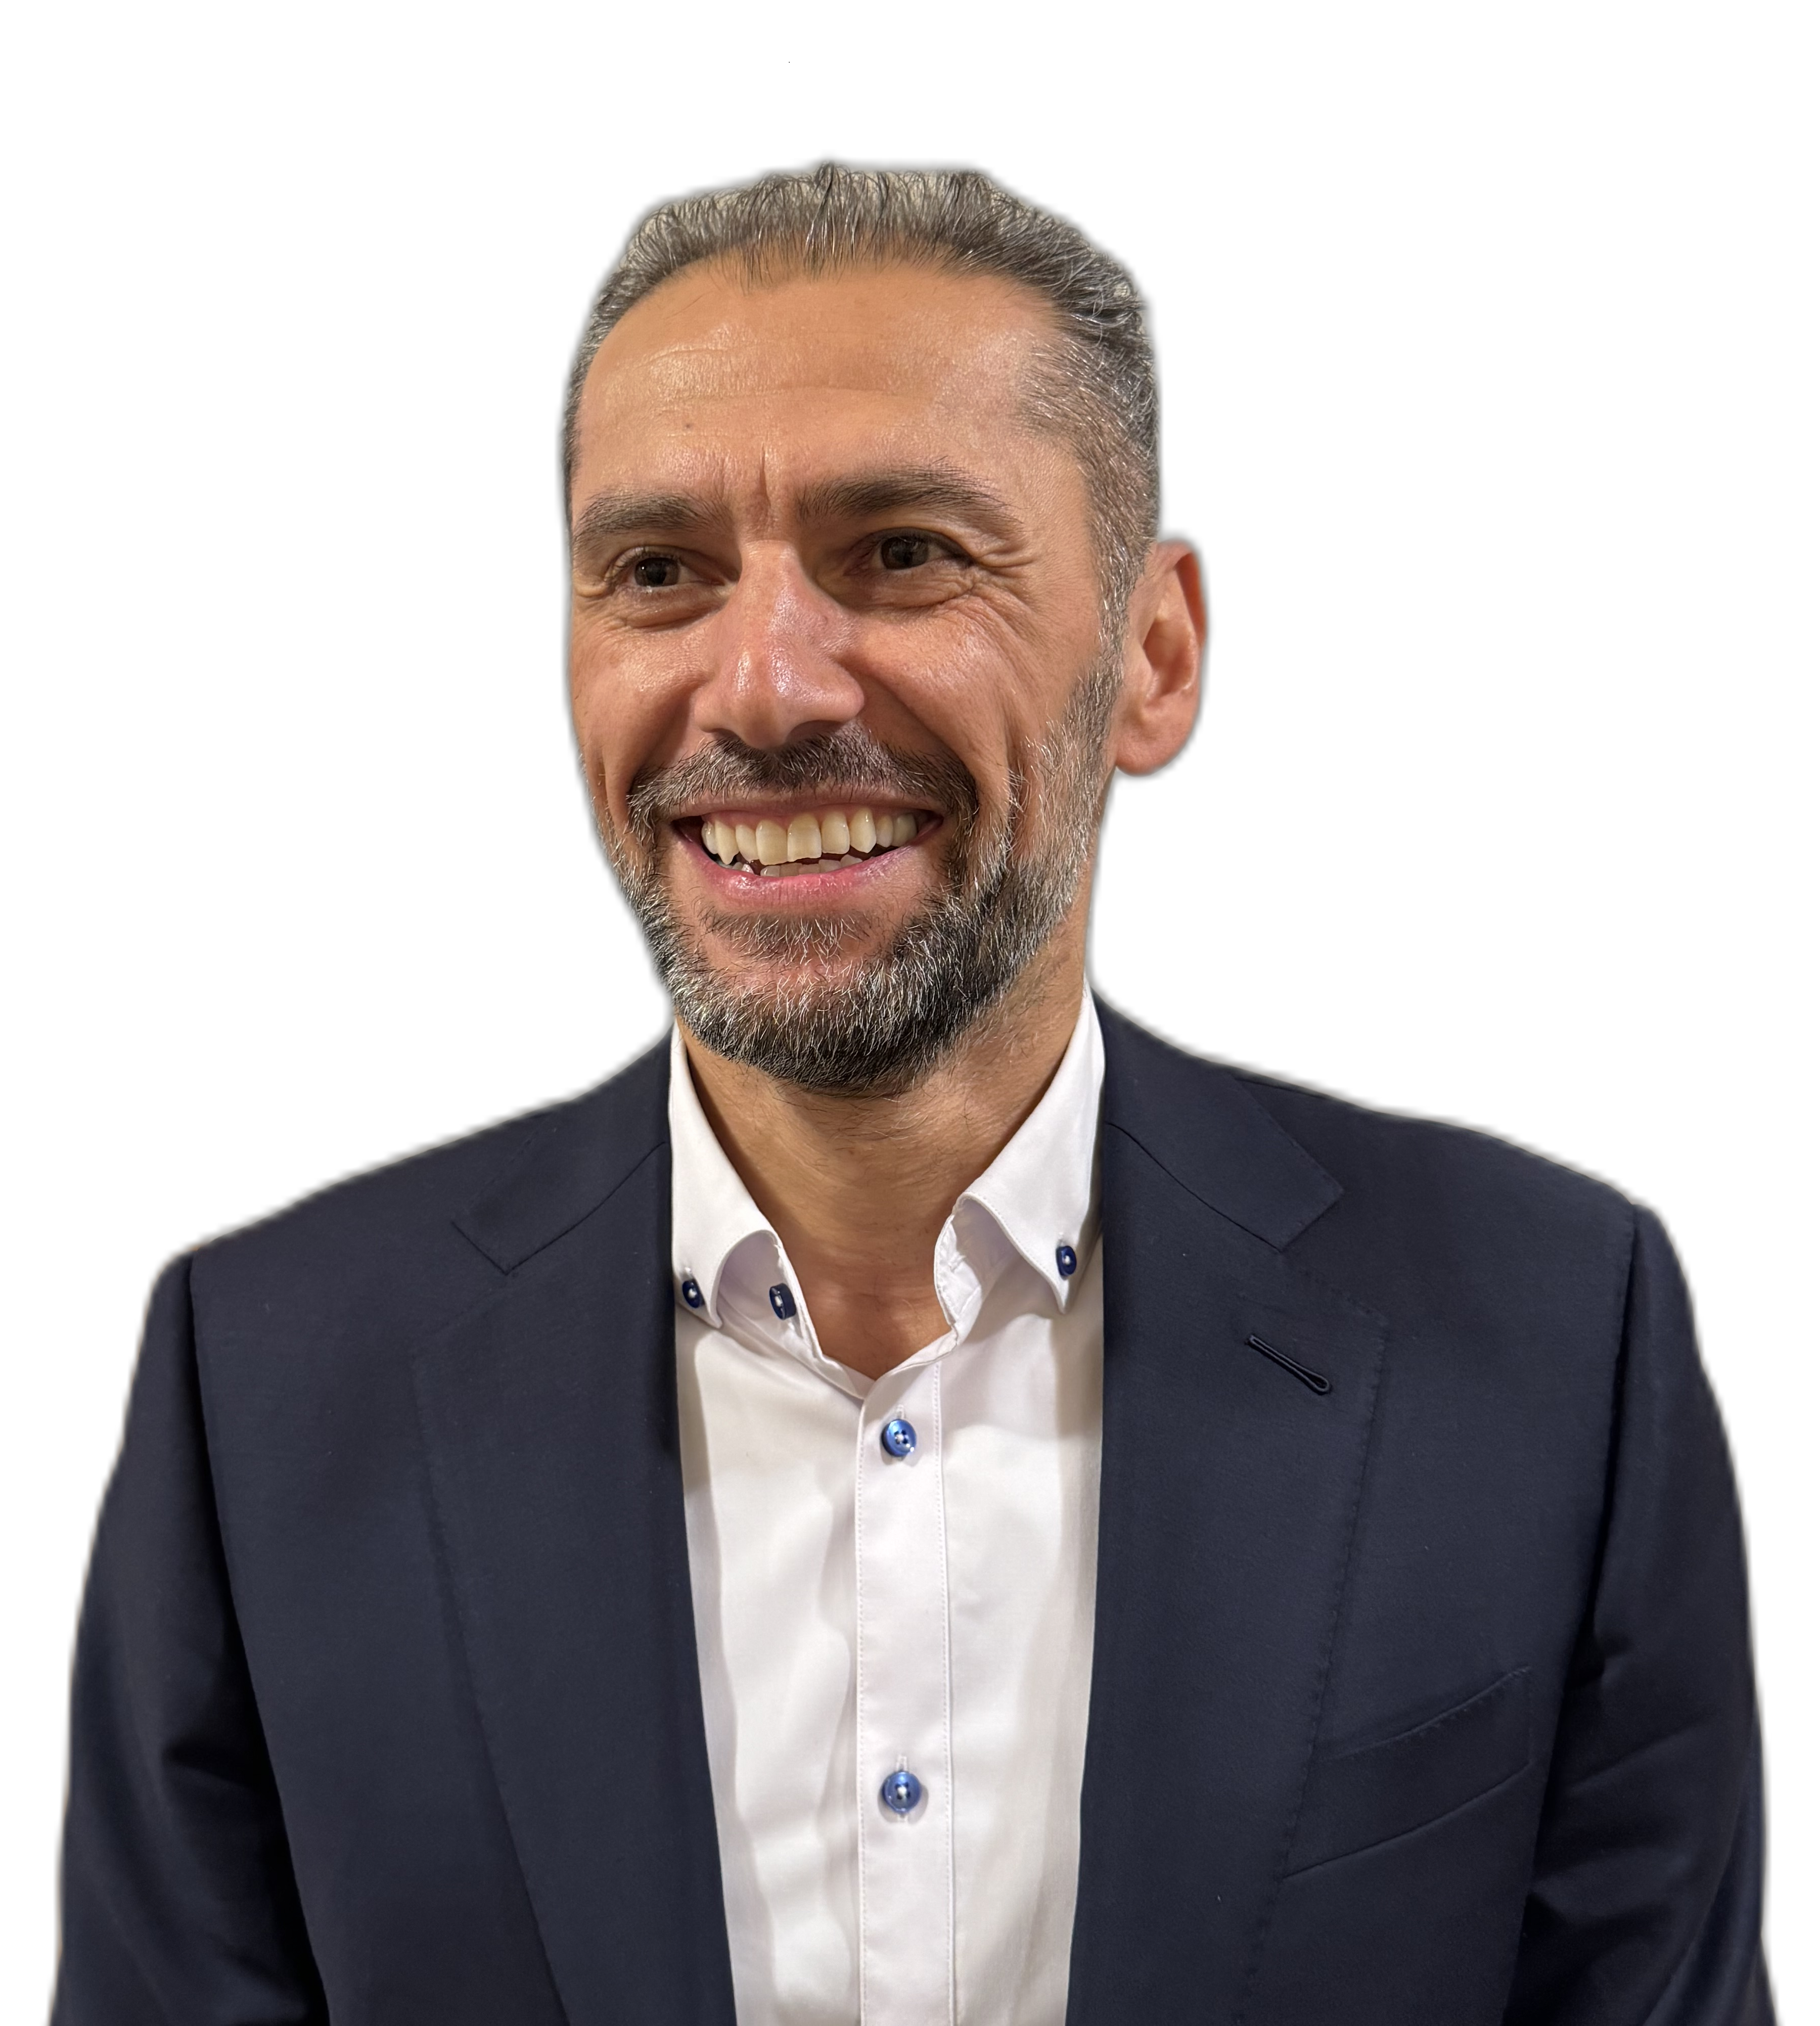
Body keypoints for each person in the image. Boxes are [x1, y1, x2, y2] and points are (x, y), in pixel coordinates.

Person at [53, 165, 1772, 2026]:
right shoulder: (265, 1391)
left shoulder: (1549, 1345)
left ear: (1153, 655)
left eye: (903, 553)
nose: (766, 688)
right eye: (660, 574)